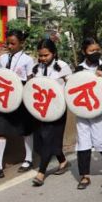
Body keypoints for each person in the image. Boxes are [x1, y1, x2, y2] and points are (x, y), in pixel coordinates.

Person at [0, 30, 35, 181]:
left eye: (13, 43)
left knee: (26, 130)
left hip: (21, 97)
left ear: (21, 43)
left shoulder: (27, 59)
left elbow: (31, 79)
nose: (10, 46)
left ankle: (29, 159)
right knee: (0, 130)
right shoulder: (2, 58)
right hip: (5, 99)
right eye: (8, 43)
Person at [73, 38, 102, 190]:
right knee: (83, 142)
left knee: (99, 142)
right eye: (91, 51)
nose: (95, 53)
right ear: (84, 52)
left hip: (98, 111)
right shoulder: (79, 70)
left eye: (97, 50)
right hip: (82, 111)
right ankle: (84, 175)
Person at [30, 39, 73, 186]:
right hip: (40, 109)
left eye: (46, 55)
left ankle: (41, 173)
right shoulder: (36, 68)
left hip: (57, 109)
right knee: (40, 142)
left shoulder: (62, 67)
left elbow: (72, 85)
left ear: (53, 53)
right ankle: (63, 161)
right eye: (40, 56)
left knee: (48, 138)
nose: (43, 58)